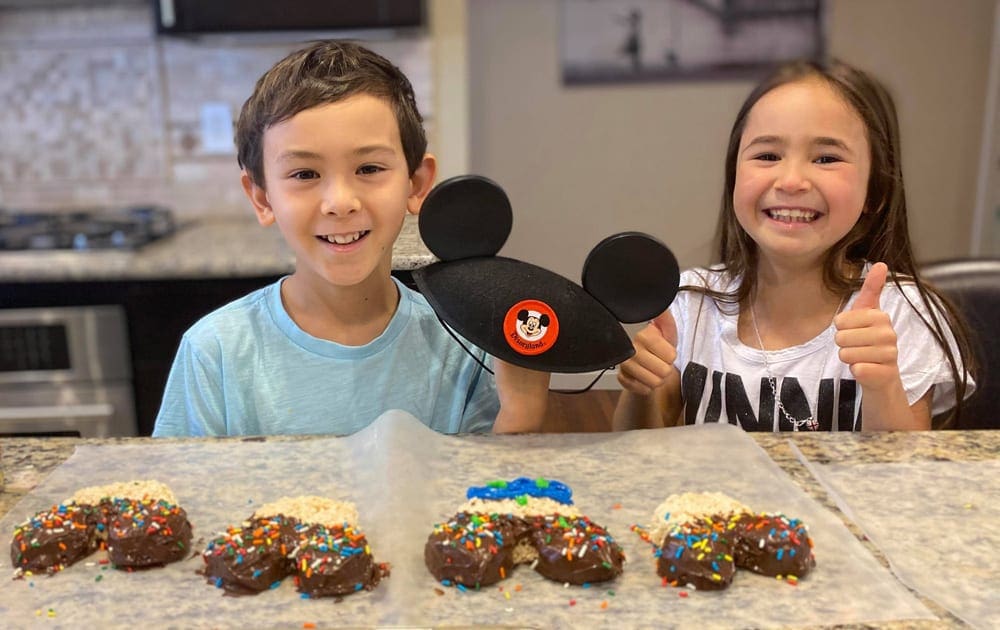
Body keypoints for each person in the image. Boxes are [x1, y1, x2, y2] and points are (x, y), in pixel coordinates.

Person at [153, 41, 549, 437]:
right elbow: (188, 491)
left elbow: (491, 490)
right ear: (262, 197)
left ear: (415, 185)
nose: (340, 203)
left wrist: (523, 410)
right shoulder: (215, 352)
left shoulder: (466, 345)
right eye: (305, 174)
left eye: (369, 167)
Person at [613, 59, 976, 432]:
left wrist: (881, 383)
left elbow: (904, 474)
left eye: (826, 158)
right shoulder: (690, 305)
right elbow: (641, 454)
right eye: (768, 155)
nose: (791, 180)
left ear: (876, 191)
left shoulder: (901, 314)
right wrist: (640, 387)